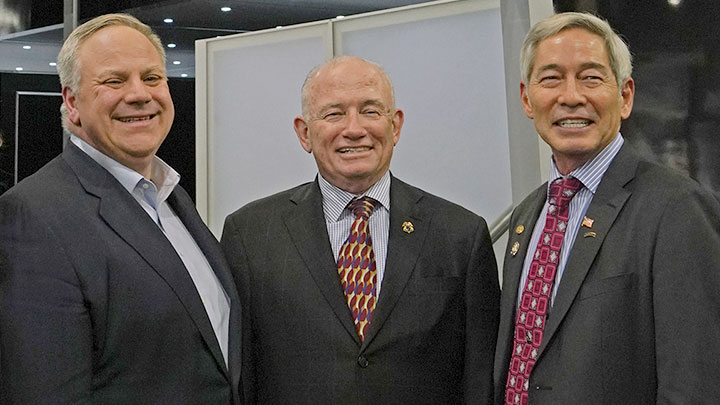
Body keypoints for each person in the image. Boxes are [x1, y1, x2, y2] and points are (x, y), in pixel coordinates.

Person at [221, 56, 500, 403]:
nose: (354, 129)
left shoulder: (461, 235)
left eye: (370, 111)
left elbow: (479, 381)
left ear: (395, 126)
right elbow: (241, 377)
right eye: (334, 114)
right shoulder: (249, 236)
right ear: (304, 132)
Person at [0, 14, 243, 403]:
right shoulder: (33, 217)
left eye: (152, 78)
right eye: (114, 81)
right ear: (72, 102)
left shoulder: (170, 197)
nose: (139, 94)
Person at [493, 12, 720, 404]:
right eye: (551, 78)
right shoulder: (526, 217)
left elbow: (694, 383)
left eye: (591, 77)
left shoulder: (677, 209)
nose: (571, 96)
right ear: (527, 99)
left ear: (626, 96)